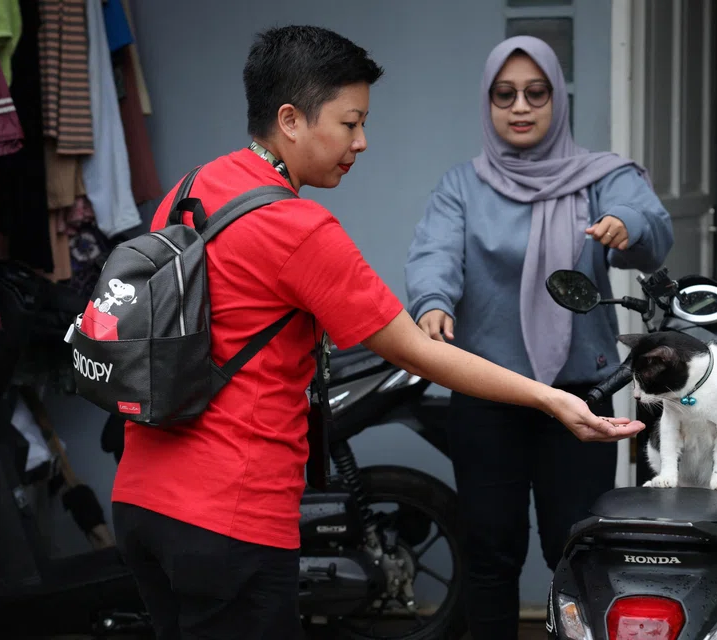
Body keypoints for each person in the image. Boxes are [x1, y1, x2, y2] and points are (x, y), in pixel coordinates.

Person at [108, 25, 645, 640]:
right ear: (290, 120)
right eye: (350, 123)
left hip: (143, 504)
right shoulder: (296, 227)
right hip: (229, 515)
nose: (361, 141)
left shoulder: (190, 189)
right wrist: (551, 399)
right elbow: (416, 351)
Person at [404, 35, 674, 638]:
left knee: (575, 550)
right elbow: (434, 254)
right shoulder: (462, 187)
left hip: (583, 395)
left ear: (557, 99)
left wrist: (625, 223)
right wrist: (432, 304)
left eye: (535, 93)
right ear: (488, 103)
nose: (520, 107)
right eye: (504, 95)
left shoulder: (601, 178)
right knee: (489, 548)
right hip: (486, 393)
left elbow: (652, 229)